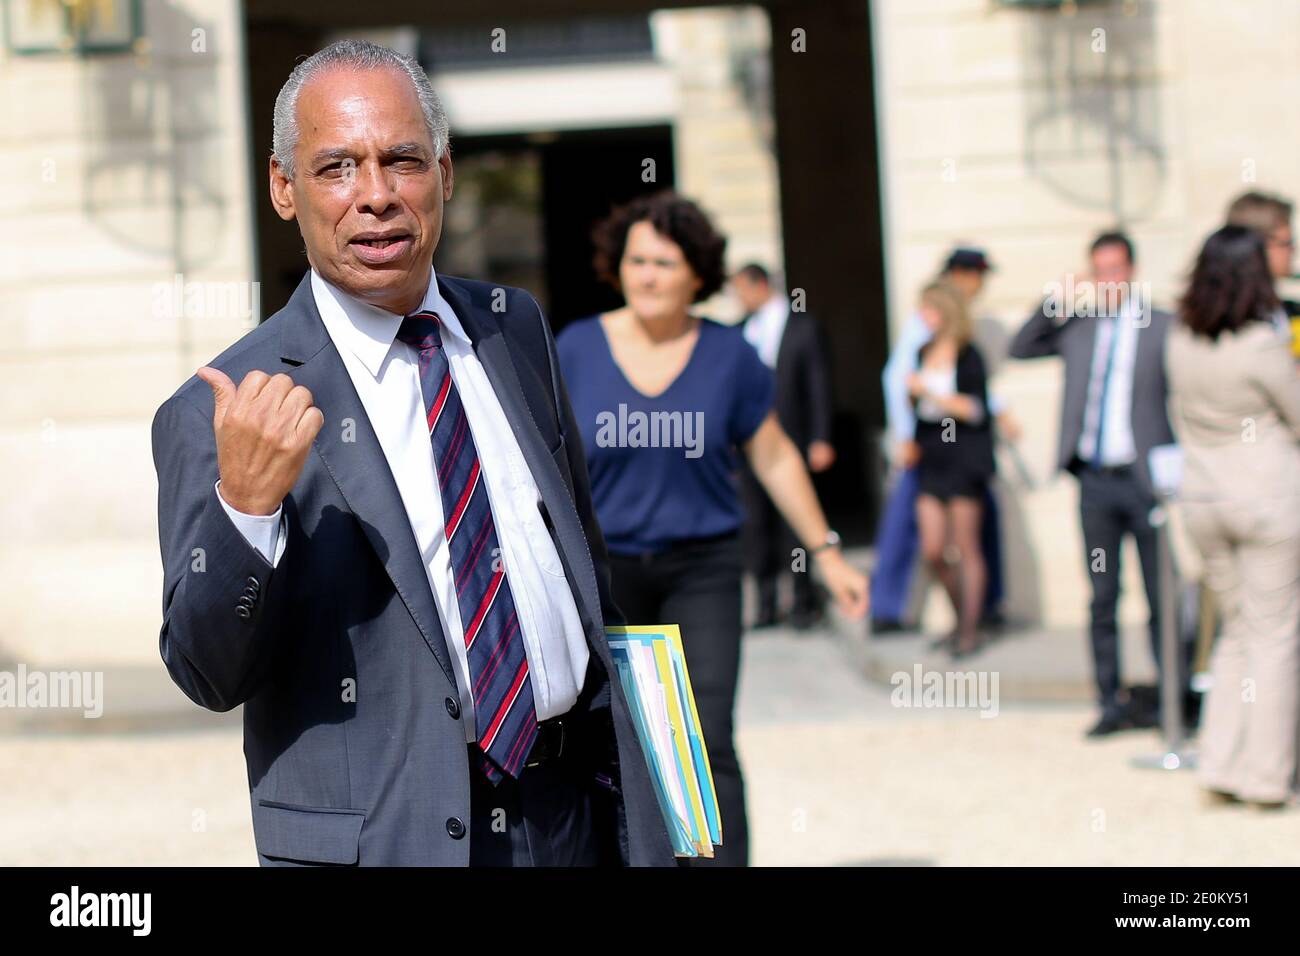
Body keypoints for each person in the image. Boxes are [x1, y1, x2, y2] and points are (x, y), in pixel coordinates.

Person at [150, 39, 677, 867]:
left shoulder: (515, 326)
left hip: (572, 814)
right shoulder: (223, 406)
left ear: (445, 173)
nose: (376, 196)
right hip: (395, 839)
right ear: (284, 190)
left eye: (402, 160)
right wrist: (244, 512)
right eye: (336, 169)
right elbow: (207, 674)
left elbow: (583, 566)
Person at [556, 191, 868, 866]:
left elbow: (777, 455)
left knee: (706, 735)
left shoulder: (730, 357)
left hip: (703, 569)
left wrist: (828, 554)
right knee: (610, 738)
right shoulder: (576, 349)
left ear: (698, 273)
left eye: (664, 263)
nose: (647, 275)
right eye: (636, 260)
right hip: (605, 577)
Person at [1009, 231, 1177, 738]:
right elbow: (1021, 346)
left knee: (1160, 595)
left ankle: (1171, 699)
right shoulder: (1078, 327)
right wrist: (1061, 295)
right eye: (1099, 271)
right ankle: (1110, 699)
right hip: (1094, 479)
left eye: (1116, 270)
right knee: (1102, 595)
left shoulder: (1161, 325)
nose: (1109, 281)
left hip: (1144, 479)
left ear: (1132, 270)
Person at [1166, 225, 1300, 809]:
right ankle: (1266, 777)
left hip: (1204, 500)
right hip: (1265, 499)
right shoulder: (1262, 345)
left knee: (1235, 636)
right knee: (1275, 639)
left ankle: (1220, 764)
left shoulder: (1180, 339)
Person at [871, 247, 1008, 634]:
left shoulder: (966, 346)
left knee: (968, 541)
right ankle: (893, 609)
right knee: (920, 535)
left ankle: (974, 619)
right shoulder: (926, 332)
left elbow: (973, 396)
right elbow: (899, 382)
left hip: (962, 455)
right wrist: (905, 437)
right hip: (927, 452)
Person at [731, 262, 836, 630]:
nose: (737, 298)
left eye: (741, 289)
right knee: (755, 524)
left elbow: (819, 387)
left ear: (759, 286)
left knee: (796, 524)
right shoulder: (738, 331)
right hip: (745, 444)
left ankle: (803, 600)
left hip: (793, 439)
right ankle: (765, 602)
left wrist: (822, 437)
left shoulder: (803, 328)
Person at [907, 281, 995, 657]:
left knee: (965, 547)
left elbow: (975, 409)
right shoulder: (922, 351)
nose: (922, 317)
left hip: (963, 457)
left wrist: (930, 393)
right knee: (932, 550)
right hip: (932, 458)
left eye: (928, 309)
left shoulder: (968, 354)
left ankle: (970, 630)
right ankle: (960, 617)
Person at [1225, 190, 1300, 357]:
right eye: (1286, 243)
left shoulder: (1285, 309)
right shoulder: (1232, 317)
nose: (1294, 250)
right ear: (1257, 246)